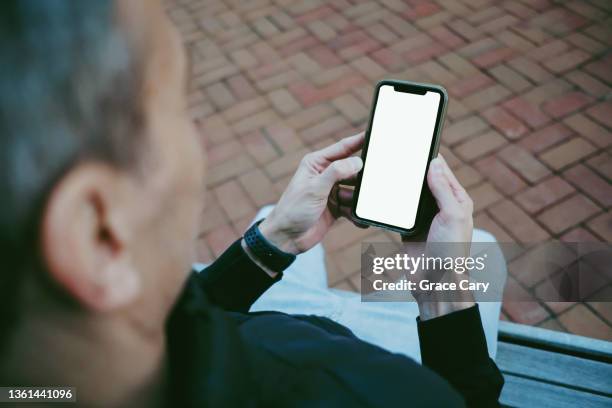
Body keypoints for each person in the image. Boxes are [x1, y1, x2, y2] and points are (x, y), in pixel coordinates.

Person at [0, 0, 505, 407]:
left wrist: (273, 241)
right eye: (178, 106)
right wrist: (442, 289)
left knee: (268, 217)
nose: (198, 143)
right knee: (483, 248)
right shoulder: (358, 388)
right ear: (98, 234)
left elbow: (175, 334)